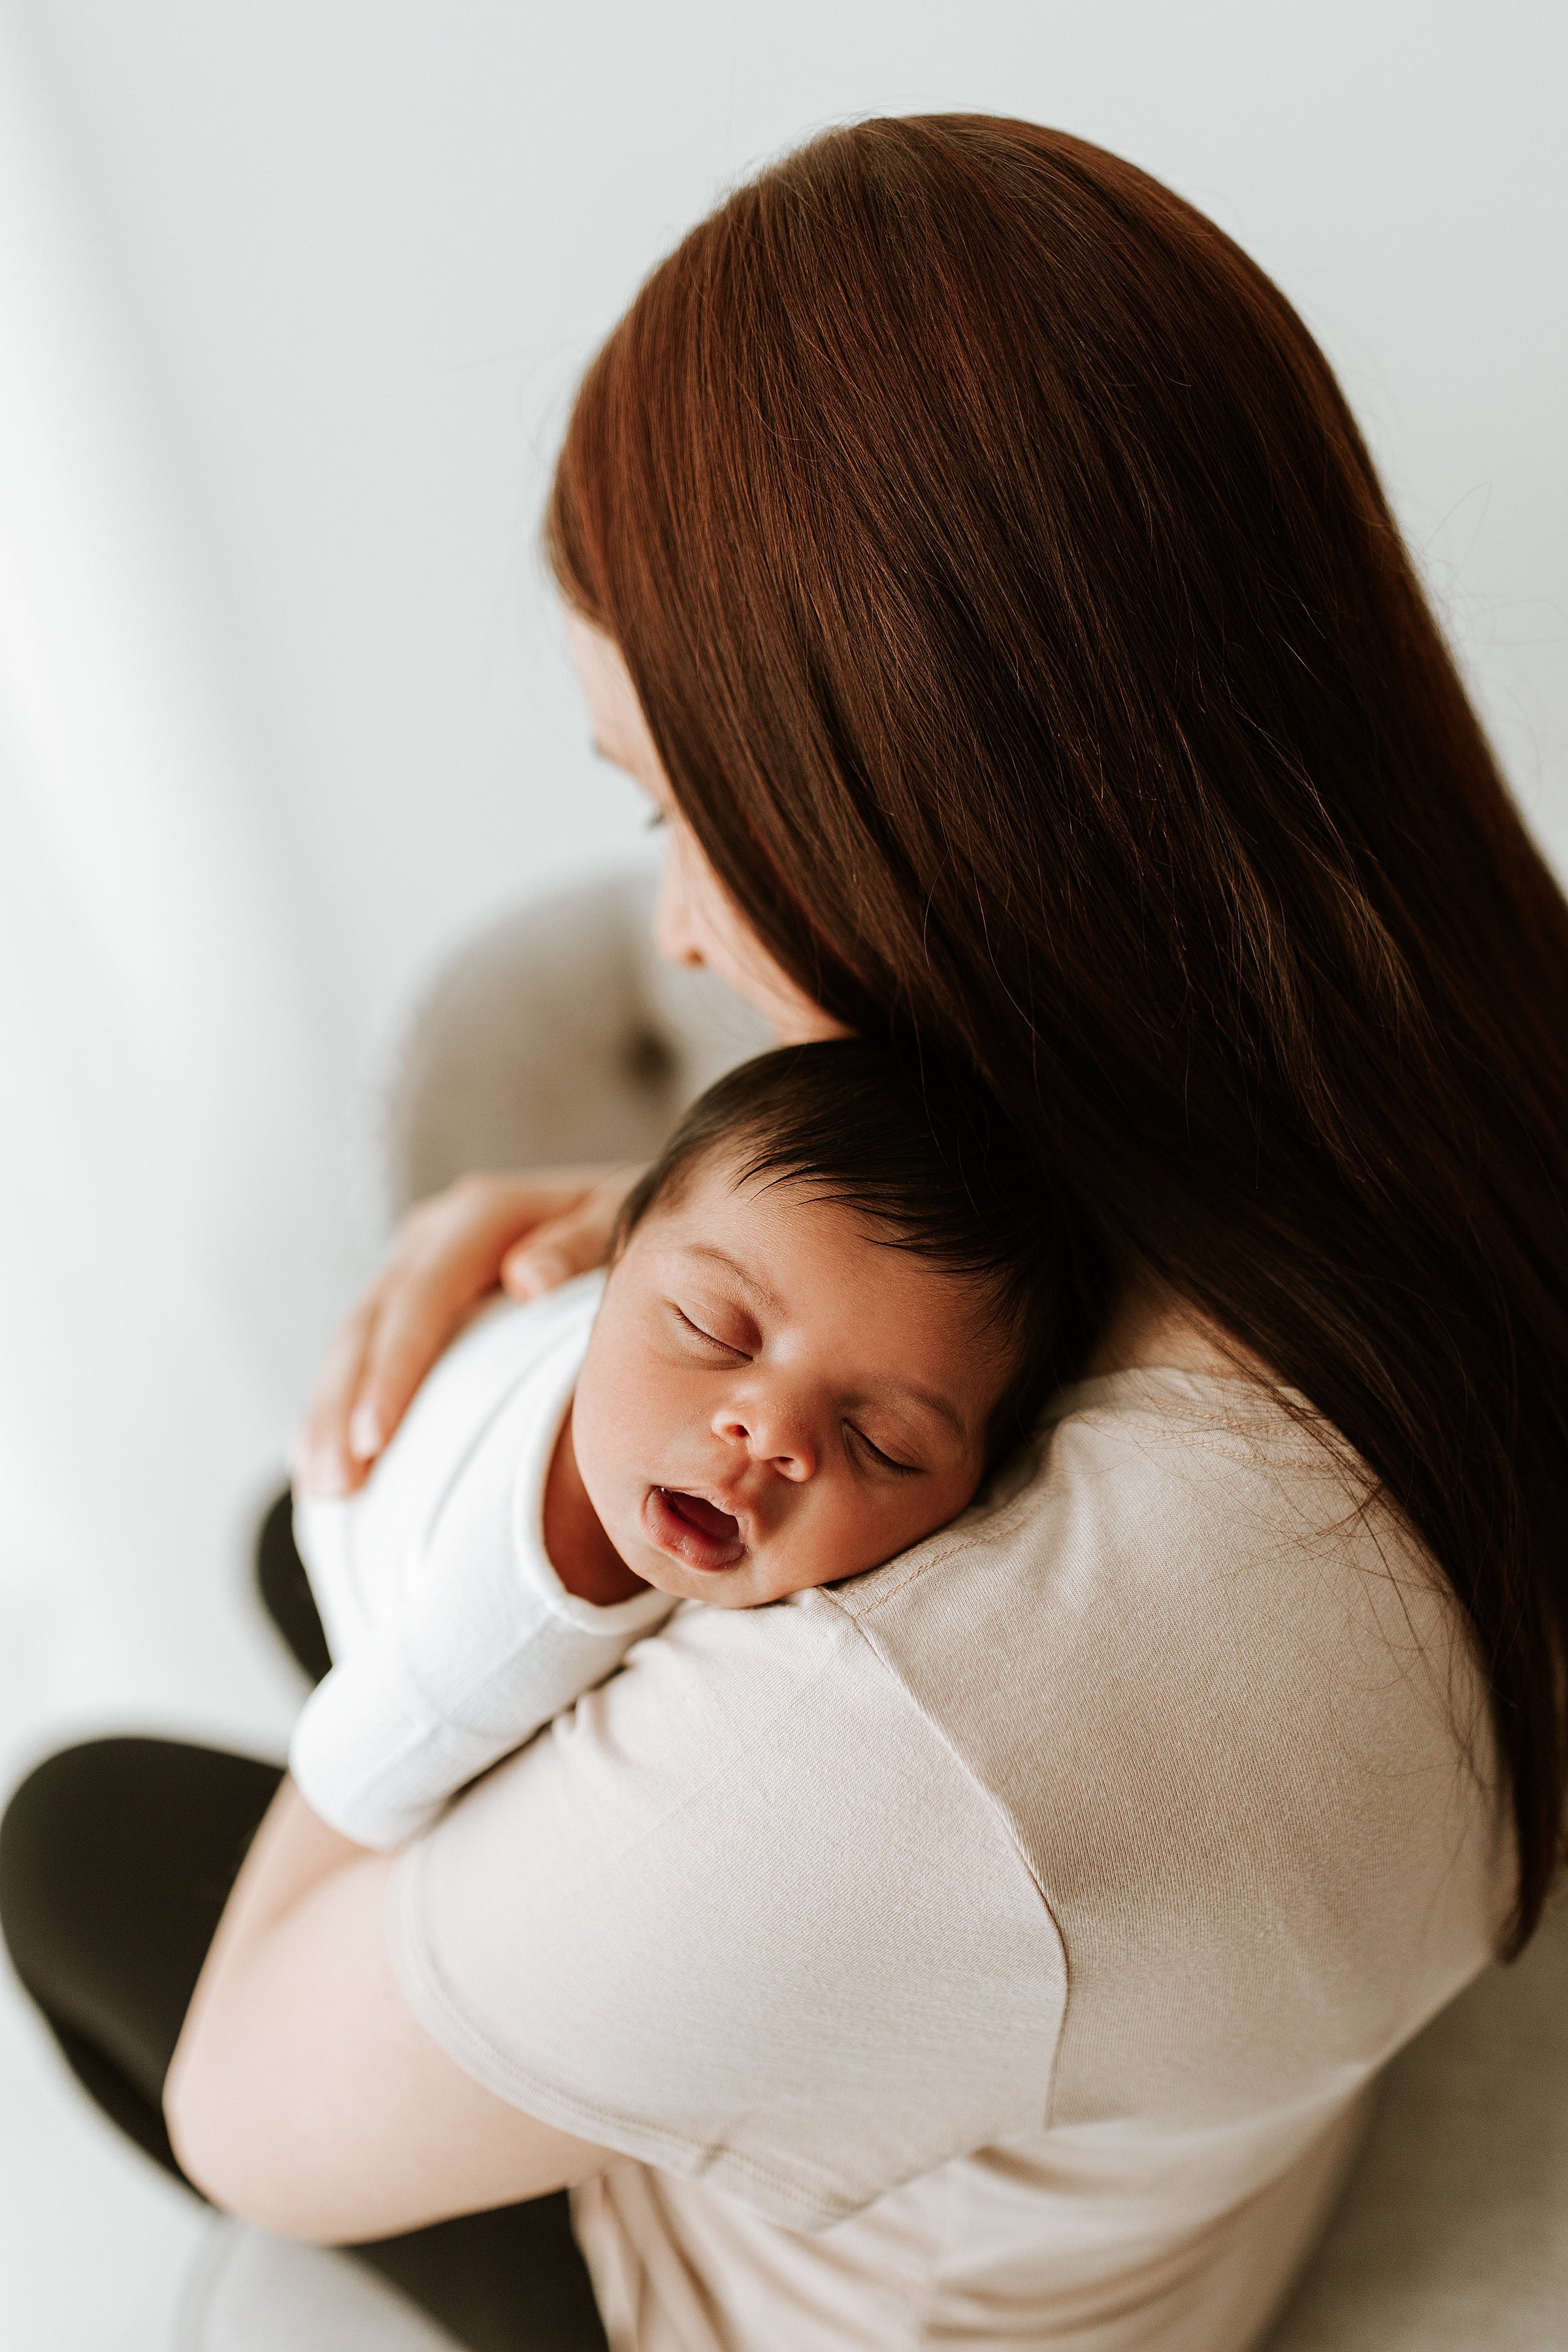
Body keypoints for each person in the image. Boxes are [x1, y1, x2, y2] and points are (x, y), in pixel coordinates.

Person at [5, 112, 1568, 2352]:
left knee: (76, 1843)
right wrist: (683, 1256)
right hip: (1168, 2049)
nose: (683, 927)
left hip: (868, 2291)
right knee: (302, 1539)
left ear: (945, 797)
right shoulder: (1458, 1044)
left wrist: (437, 1683)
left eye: (681, 807)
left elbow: (250, 2107)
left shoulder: (916, 1732)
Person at [288, 1038, 1070, 1854]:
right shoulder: (523, 1620)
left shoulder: (700, 1272)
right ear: (612, 1246)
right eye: (711, 1331)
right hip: (354, 1545)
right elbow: (347, 1785)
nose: (770, 1433)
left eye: (881, 1443)